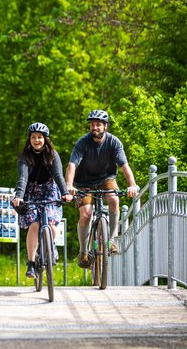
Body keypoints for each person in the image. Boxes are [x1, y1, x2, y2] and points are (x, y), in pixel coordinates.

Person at [65, 109, 138, 269]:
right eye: (92, 125)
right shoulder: (82, 143)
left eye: (98, 124)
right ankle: (83, 251)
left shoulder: (114, 142)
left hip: (106, 178)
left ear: (105, 126)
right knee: (85, 215)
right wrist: (69, 186)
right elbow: (72, 165)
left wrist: (132, 184)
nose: (94, 128)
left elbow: (124, 166)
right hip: (84, 182)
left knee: (113, 199)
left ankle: (111, 240)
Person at [11, 123, 73, 278]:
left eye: (39, 137)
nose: (36, 140)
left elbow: (58, 175)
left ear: (45, 139)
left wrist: (65, 193)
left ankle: (51, 246)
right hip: (30, 192)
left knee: (51, 224)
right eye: (33, 137)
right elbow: (22, 178)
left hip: (50, 191)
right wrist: (19, 196)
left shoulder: (52, 154)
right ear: (29, 139)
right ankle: (31, 263)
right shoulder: (24, 156)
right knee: (34, 224)